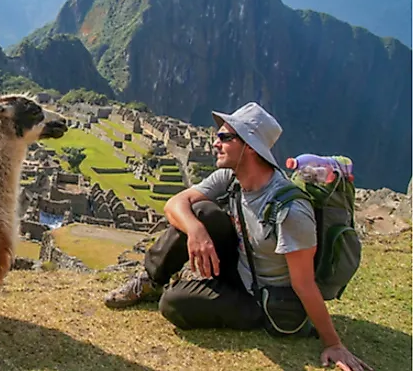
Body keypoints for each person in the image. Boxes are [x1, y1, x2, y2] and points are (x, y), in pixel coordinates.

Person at [103, 102, 372, 371]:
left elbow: (304, 285)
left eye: (225, 137)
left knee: (174, 304)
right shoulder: (229, 178)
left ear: (250, 147)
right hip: (241, 268)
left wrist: (333, 343)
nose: (215, 143)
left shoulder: (289, 211)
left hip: (266, 300)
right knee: (199, 212)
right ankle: (150, 281)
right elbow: (175, 203)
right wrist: (196, 231)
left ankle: (203, 297)